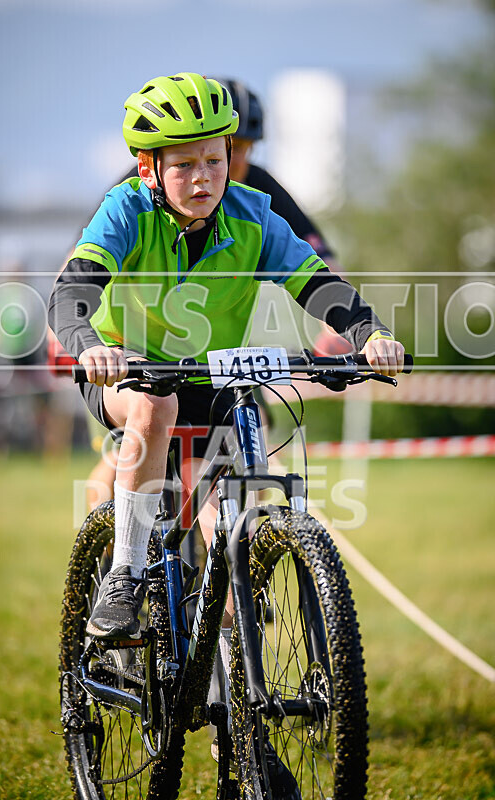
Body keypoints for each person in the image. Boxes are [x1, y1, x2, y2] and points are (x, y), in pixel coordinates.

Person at [48, 72, 403, 797]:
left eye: (215, 159)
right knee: (157, 410)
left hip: (213, 374)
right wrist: (87, 338)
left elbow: (314, 281)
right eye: (185, 165)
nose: (204, 176)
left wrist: (365, 332)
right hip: (127, 370)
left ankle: (240, 733)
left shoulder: (254, 212)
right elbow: (73, 288)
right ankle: (124, 572)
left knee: (230, 533)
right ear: (151, 168)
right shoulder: (124, 211)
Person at [47, 77, 345, 510]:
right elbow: (78, 266)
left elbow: (319, 264)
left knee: (250, 431)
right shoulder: (143, 187)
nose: (225, 164)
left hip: (209, 354)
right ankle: (108, 558)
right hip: (130, 350)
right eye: (189, 162)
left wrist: (339, 330)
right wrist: (71, 337)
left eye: (234, 151)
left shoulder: (255, 193)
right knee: (124, 451)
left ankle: (239, 548)